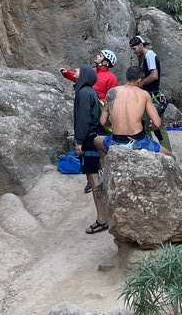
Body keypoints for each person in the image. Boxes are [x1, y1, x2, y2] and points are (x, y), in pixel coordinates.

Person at [61, 50, 119, 194]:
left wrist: (79, 140)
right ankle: (92, 181)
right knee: (91, 161)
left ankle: (97, 185)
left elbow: (111, 96)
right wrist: (66, 73)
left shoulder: (110, 78)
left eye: (101, 55)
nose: (97, 56)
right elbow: (79, 78)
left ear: (106, 61)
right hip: (93, 106)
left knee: (92, 157)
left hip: (96, 112)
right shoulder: (92, 73)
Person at [94, 66, 175, 158]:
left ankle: (110, 166)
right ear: (139, 80)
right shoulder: (144, 94)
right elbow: (157, 122)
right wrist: (151, 127)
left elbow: (103, 121)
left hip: (115, 141)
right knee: (171, 157)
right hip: (138, 142)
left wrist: (112, 124)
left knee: (97, 141)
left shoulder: (111, 92)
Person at [71, 65, 108, 234]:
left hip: (89, 141)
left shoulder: (84, 93)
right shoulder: (89, 91)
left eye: (78, 70)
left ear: (84, 75)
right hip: (93, 138)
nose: (75, 71)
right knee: (95, 179)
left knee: (94, 181)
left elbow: (84, 119)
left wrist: (79, 142)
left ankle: (102, 219)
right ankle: (105, 216)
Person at [129, 35, 173, 152]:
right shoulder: (145, 56)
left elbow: (154, 75)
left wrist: (140, 83)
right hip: (148, 95)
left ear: (140, 45)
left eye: (134, 49)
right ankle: (155, 151)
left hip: (152, 95)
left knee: (157, 126)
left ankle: (165, 152)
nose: (134, 52)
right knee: (146, 125)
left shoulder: (149, 55)